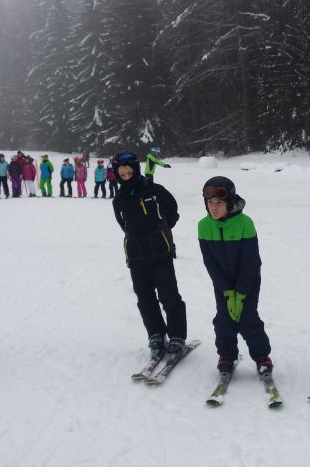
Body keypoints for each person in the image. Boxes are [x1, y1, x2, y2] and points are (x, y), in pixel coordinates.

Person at [111, 152, 187, 360]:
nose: (127, 175)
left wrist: (162, 229)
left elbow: (172, 209)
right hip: (136, 256)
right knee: (145, 299)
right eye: (123, 174)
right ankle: (155, 334)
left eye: (130, 171)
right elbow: (122, 223)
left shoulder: (154, 190)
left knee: (169, 296)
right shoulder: (119, 199)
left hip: (160, 253)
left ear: (136, 169)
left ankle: (177, 337)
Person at [198, 176, 273, 377]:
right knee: (224, 320)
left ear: (229, 202)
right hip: (222, 283)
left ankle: (262, 356)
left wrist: (239, 292)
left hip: (247, 281)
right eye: (210, 203)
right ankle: (226, 355)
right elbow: (210, 262)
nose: (214, 208)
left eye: (219, 203)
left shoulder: (245, 223)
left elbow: (250, 261)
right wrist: (226, 289)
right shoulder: (203, 226)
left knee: (248, 319)